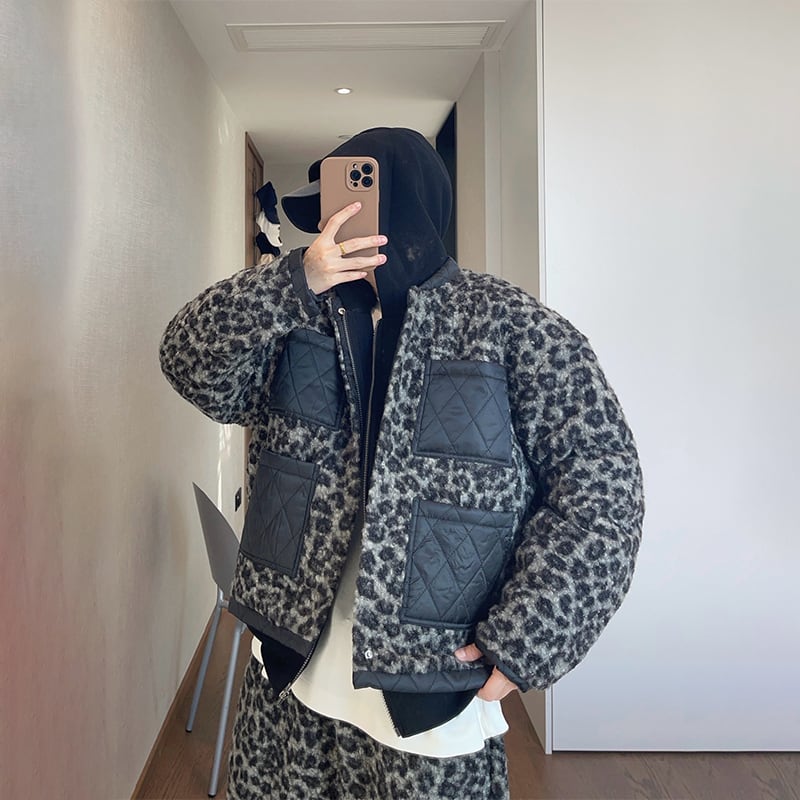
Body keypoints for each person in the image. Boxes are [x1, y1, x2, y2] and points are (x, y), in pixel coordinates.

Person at [159, 127, 644, 799]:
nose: (331, 225)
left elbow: (604, 493)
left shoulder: (514, 328)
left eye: (349, 204)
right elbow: (188, 362)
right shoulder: (301, 316)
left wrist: (528, 638)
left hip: (432, 695)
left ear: (402, 209)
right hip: (290, 675)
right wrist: (292, 282)